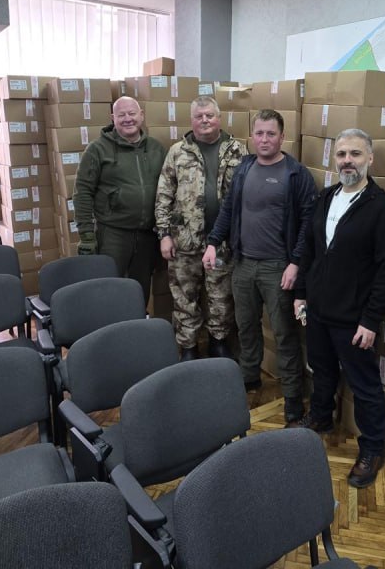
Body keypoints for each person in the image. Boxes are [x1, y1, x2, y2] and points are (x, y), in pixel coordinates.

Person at [292, 128, 385, 490]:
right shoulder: (325, 198)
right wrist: (301, 293)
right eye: (341, 154)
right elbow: (310, 250)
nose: (347, 161)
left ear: (370, 158)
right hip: (319, 309)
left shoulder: (380, 207)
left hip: (353, 318)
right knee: (321, 370)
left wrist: (371, 320)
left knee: (364, 385)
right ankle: (321, 417)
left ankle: (371, 450)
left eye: (355, 154)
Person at [203, 109, 315, 425]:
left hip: (277, 267)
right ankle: (249, 378)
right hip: (243, 264)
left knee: (284, 334)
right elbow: (229, 209)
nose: (264, 139)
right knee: (246, 326)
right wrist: (213, 242)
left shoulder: (296, 174)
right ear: (252, 136)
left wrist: (295, 263)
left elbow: (308, 224)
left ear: (282, 137)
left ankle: (292, 399)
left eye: (271, 134)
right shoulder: (245, 168)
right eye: (259, 133)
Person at [155, 96, 247, 361]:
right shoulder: (177, 151)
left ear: (219, 118)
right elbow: (163, 195)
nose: (205, 120)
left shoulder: (237, 151)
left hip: (223, 242)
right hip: (184, 241)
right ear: (191, 120)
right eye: (199, 116)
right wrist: (164, 235)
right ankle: (189, 347)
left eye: (210, 115)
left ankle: (219, 342)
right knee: (185, 298)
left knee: (221, 297)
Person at [73, 96, 165, 303]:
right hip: (113, 235)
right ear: (112, 118)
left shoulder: (156, 149)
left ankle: (137, 321)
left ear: (142, 115)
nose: (127, 119)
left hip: (147, 235)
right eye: (121, 115)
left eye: (132, 113)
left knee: (140, 291)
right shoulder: (97, 150)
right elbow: (82, 192)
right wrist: (86, 235)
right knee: (108, 289)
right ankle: (109, 323)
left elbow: (169, 189)